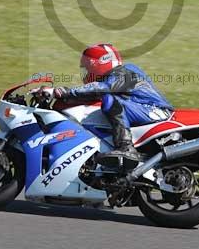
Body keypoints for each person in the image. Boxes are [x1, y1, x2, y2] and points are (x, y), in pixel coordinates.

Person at [46, 43, 174, 166]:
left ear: (99, 64)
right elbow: (91, 94)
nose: (86, 73)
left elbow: (101, 88)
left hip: (156, 111)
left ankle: (125, 147)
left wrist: (62, 92)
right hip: (146, 111)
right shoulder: (114, 80)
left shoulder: (124, 72)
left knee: (111, 101)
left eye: (88, 68)